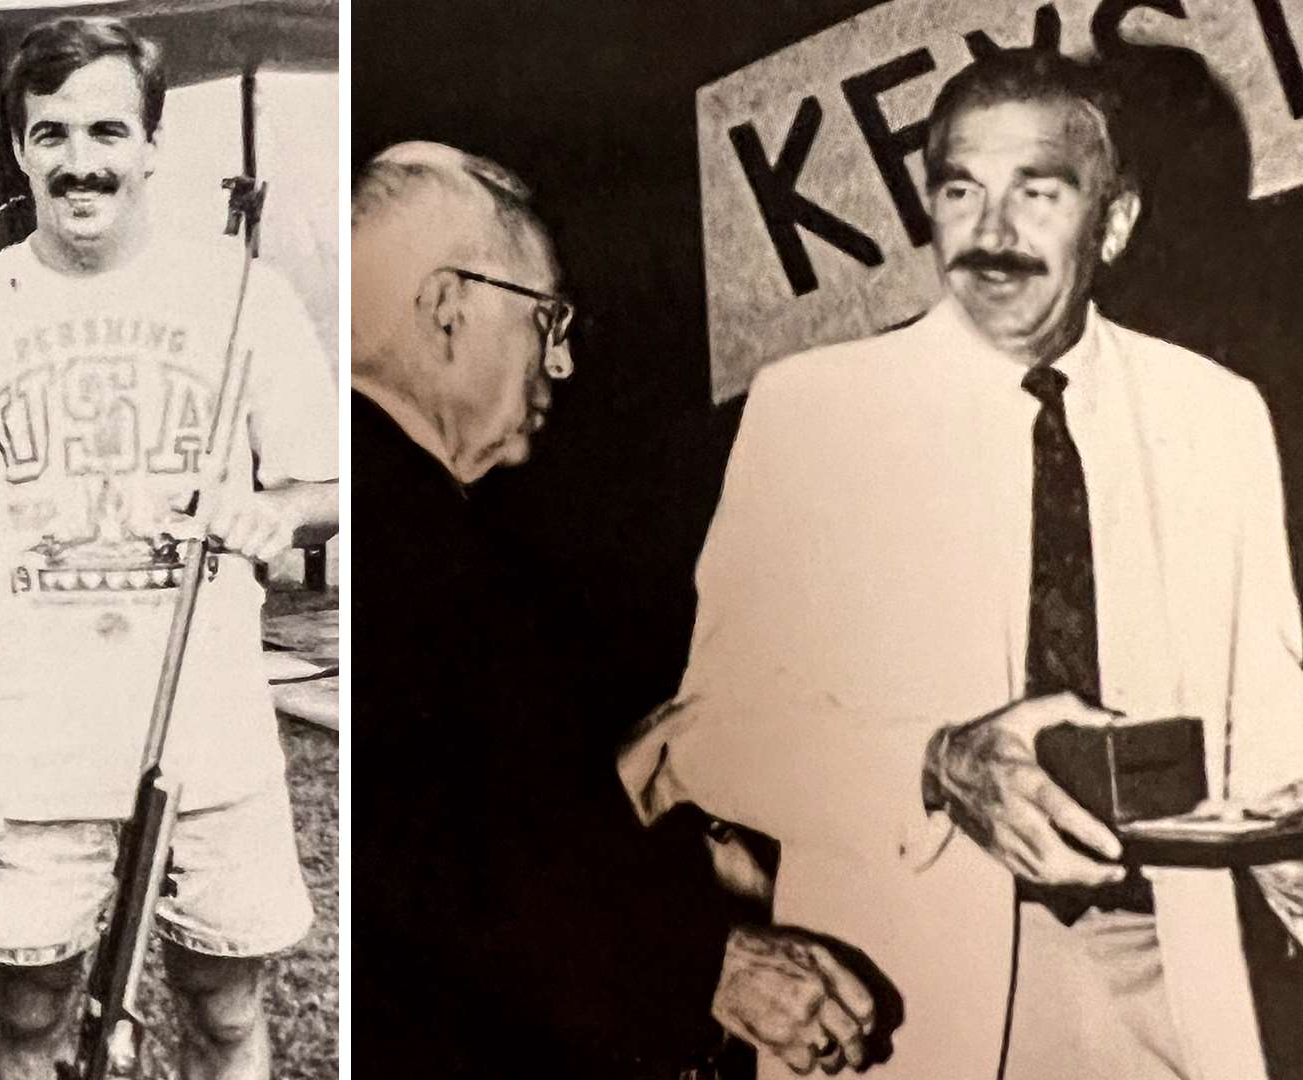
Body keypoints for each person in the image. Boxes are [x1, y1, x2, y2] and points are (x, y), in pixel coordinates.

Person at [619, 48, 1303, 1080]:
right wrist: (936, 767)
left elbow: (1273, 737)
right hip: (902, 1000)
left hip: (1167, 985)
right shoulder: (816, 412)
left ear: (1112, 221)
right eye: (960, 191)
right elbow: (710, 741)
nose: (992, 236)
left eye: (1037, 195)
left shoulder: (1216, 414)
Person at [351, 140, 881, 1080]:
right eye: (547, 317)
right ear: (445, 310)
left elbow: (468, 808)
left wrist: (631, 787)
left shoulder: (415, 516)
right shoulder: (402, 533)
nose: (563, 360)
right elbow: (423, 867)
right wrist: (707, 958)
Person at [0, 17, 338, 1080]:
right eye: (50, 134)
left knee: (225, 1011)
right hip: (34, 747)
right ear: (19, 145)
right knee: (32, 1021)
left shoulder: (242, 298)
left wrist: (280, 514)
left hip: (209, 738)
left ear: (152, 144)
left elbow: (325, 484)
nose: (81, 161)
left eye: (107, 131)